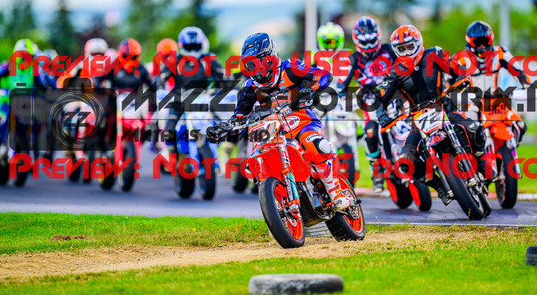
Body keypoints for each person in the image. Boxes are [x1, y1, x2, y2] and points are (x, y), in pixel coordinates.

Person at [207, 32, 351, 210]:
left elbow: (323, 75)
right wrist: (223, 129)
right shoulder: (249, 87)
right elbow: (239, 116)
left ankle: (335, 191)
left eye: (256, 63)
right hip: (272, 131)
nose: (253, 69)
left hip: (303, 122)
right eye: (249, 65)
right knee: (253, 164)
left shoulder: (291, 67)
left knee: (315, 146)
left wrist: (312, 90)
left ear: (268, 59)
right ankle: (278, 197)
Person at [376, 25, 492, 199]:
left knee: (476, 130)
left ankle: (482, 164)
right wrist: (382, 115)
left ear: (418, 43)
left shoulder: (434, 54)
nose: (407, 52)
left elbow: (455, 66)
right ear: (396, 51)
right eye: (402, 49)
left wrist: (461, 76)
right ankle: (438, 185)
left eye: (409, 47)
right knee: (405, 162)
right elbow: (379, 98)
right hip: (418, 120)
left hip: (445, 107)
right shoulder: (395, 73)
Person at [338, 16, 397, 193]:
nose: (370, 46)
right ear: (357, 41)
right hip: (370, 101)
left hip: (395, 97)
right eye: (365, 42)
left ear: (378, 36)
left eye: (372, 41)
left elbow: (405, 67)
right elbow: (342, 85)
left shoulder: (390, 50)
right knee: (370, 132)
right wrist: (342, 95)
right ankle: (376, 171)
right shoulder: (353, 59)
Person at [461, 20, 530, 143]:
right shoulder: (462, 59)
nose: (482, 46)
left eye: (485, 41)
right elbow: (450, 81)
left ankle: (512, 148)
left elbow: (518, 71)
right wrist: (455, 93)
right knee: (468, 131)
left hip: (496, 101)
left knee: (520, 126)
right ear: (470, 41)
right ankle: (475, 155)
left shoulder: (500, 53)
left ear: (491, 39)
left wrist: (527, 85)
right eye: (477, 42)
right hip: (474, 103)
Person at [160, 27, 226, 154]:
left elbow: (224, 76)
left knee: (224, 126)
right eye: (189, 47)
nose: (192, 50)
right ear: (181, 45)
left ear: (201, 44)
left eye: (195, 46)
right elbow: (161, 78)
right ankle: (172, 154)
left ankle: (221, 153)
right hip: (179, 99)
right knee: (169, 130)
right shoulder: (174, 60)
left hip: (205, 98)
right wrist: (159, 89)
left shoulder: (209, 58)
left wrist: (224, 88)